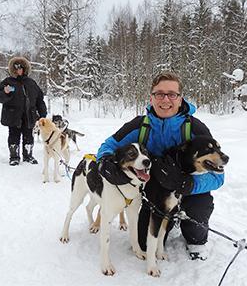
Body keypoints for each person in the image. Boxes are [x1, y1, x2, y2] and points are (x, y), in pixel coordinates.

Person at [96, 72, 224, 261]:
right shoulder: (140, 125)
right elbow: (108, 147)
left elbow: (218, 177)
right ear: (151, 98)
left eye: (172, 94)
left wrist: (189, 183)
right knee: (145, 243)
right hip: (156, 193)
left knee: (198, 219)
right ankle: (168, 220)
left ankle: (189, 231)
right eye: (159, 94)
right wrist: (106, 164)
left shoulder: (195, 129)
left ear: (180, 99)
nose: (166, 99)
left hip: (190, 194)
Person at [0, 56, 47, 166]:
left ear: (25, 69)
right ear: (13, 69)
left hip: (29, 115)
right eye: (16, 68)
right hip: (13, 115)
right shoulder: (7, 82)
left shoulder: (31, 83)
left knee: (29, 136)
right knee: (14, 135)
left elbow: (39, 99)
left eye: (21, 68)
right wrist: (5, 92)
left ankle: (28, 156)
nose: (19, 70)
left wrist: (43, 114)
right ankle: (14, 157)